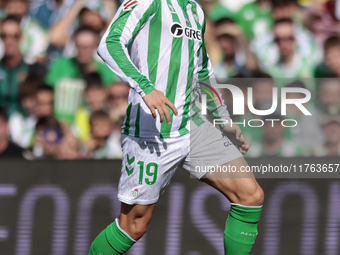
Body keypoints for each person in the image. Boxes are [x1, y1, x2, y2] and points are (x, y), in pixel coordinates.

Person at [90, 0, 264, 254]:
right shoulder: (147, 2)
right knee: (134, 225)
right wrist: (146, 88)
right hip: (150, 131)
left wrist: (223, 119)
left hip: (192, 126)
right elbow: (109, 44)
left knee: (251, 196)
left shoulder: (195, 10)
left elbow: (202, 69)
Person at [0, 17, 30, 116]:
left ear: (21, 37)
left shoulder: (33, 68)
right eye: (4, 36)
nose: (9, 41)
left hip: (25, 123)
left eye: (15, 36)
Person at [8, 75, 41, 148]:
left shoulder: (48, 118)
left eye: (32, 99)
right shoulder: (16, 119)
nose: (28, 104)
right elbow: (18, 144)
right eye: (24, 99)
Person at [74, 72, 108, 142]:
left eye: (98, 92)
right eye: (91, 92)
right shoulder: (79, 115)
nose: (95, 97)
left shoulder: (111, 113)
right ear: (85, 94)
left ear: (104, 92)